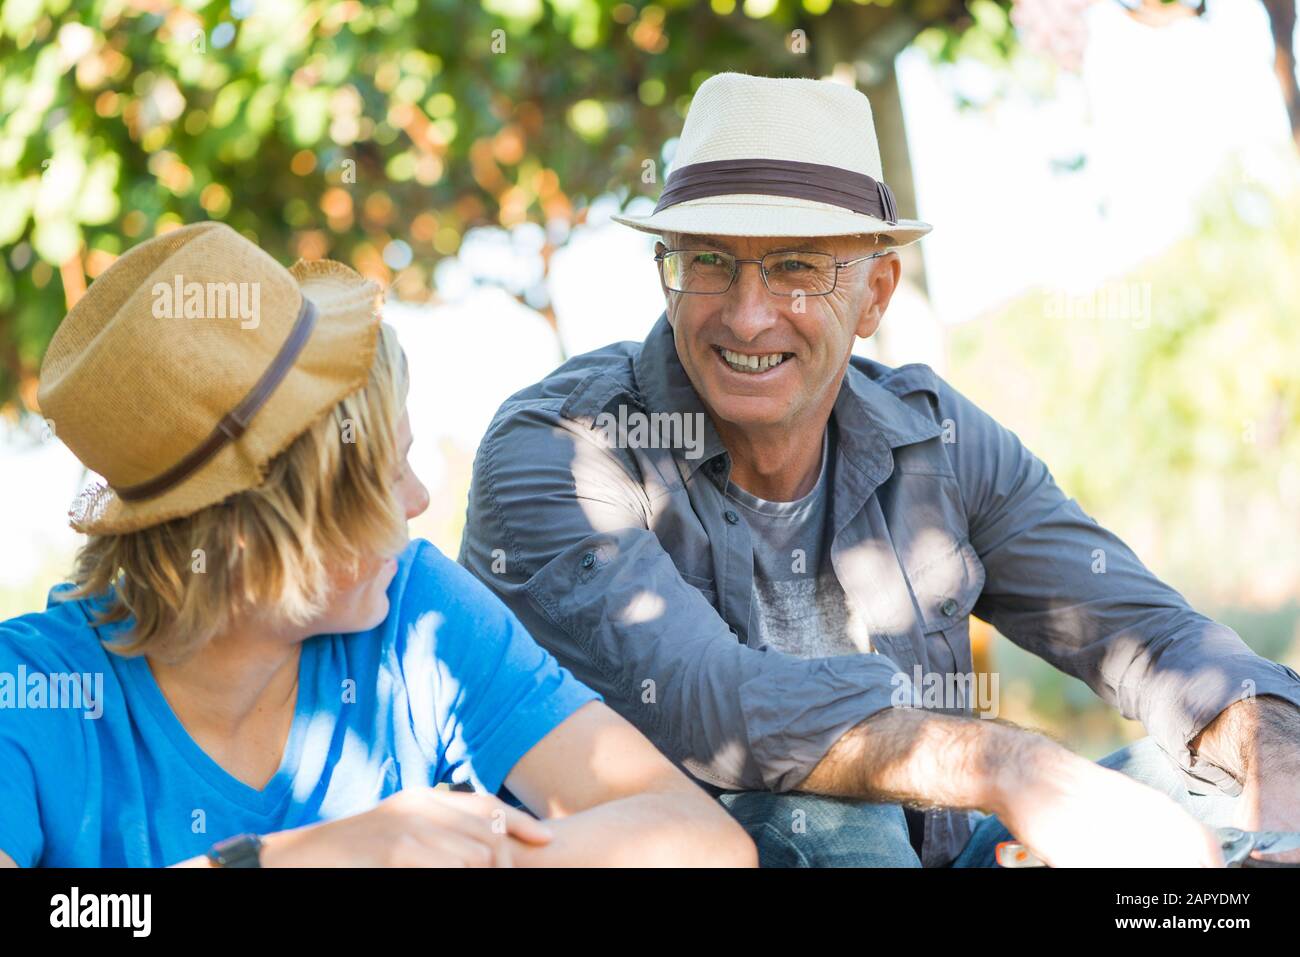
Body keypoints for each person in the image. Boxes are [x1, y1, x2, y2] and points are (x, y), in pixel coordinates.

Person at [458, 72, 1300, 867]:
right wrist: (1012, 765)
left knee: (1226, 775)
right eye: (709, 260)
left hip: (933, 850)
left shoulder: (936, 439)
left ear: (877, 293)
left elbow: (1157, 639)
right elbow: (705, 701)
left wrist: (1278, 783)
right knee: (833, 820)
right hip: (701, 853)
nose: (749, 316)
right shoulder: (558, 448)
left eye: (796, 266)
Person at [0, 222, 756, 868]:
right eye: (388, 472)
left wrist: (470, 852)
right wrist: (307, 855)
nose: (421, 498)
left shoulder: (416, 614)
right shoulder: (33, 690)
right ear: (262, 530)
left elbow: (703, 840)